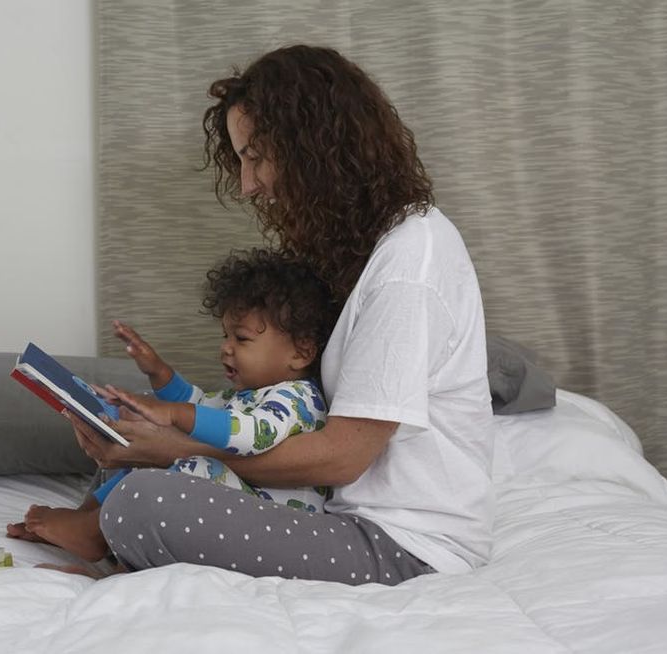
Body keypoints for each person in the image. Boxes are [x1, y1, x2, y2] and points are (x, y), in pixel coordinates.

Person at [61, 44, 495, 587]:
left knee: (144, 503)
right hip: (341, 514)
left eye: (256, 157)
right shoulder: (368, 252)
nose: (247, 185)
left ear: (318, 148)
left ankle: (114, 532)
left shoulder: (410, 262)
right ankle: (102, 531)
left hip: (409, 546)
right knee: (135, 476)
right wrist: (163, 431)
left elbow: (342, 459)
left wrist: (178, 451)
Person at [7, 248, 339, 561]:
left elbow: (250, 436)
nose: (225, 348)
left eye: (241, 339)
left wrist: (174, 415)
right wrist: (158, 371)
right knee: (140, 449)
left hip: (277, 523)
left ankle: (92, 535)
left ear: (301, 352)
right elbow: (199, 403)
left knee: (194, 461)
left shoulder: (297, 398)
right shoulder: (248, 394)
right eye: (224, 336)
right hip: (246, 503)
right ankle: (86, 520)